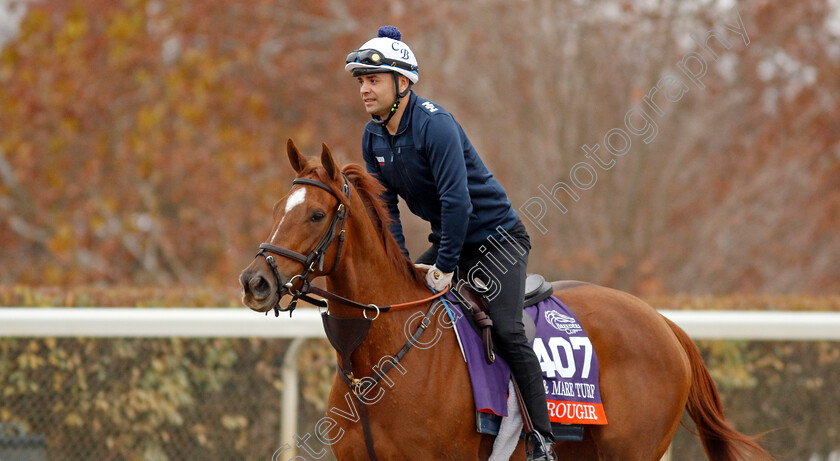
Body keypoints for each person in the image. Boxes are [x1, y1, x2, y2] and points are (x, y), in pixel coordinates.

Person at [345, 26, 557, 461]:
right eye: (361, 81)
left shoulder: (436, 125)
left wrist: (441, 267)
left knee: (508, 330)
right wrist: (400, 266)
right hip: (452, 244)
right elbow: (387, 215)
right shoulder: (372, 137)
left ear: (403, 84)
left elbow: (456, 203)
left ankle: (542, 440)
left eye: (373, 80)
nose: (365, 89)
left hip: (498, 242)